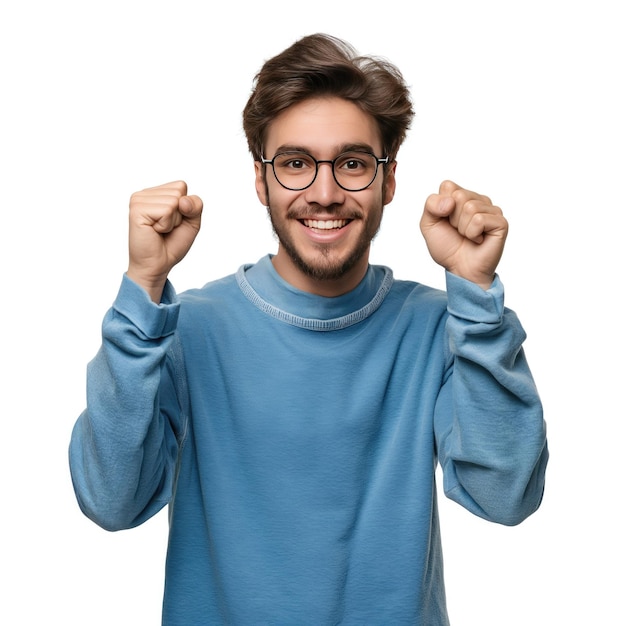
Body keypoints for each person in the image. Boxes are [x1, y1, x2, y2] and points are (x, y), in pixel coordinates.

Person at [69, 33, 548, 625]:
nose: (325, 194)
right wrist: (142, 286)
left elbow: (508, 497)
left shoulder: (438, 327)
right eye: (295, 164)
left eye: (352, 163)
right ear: (261, 180)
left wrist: (476, 295)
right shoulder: (185, 328)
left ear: (388, 180)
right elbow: (112, 501)